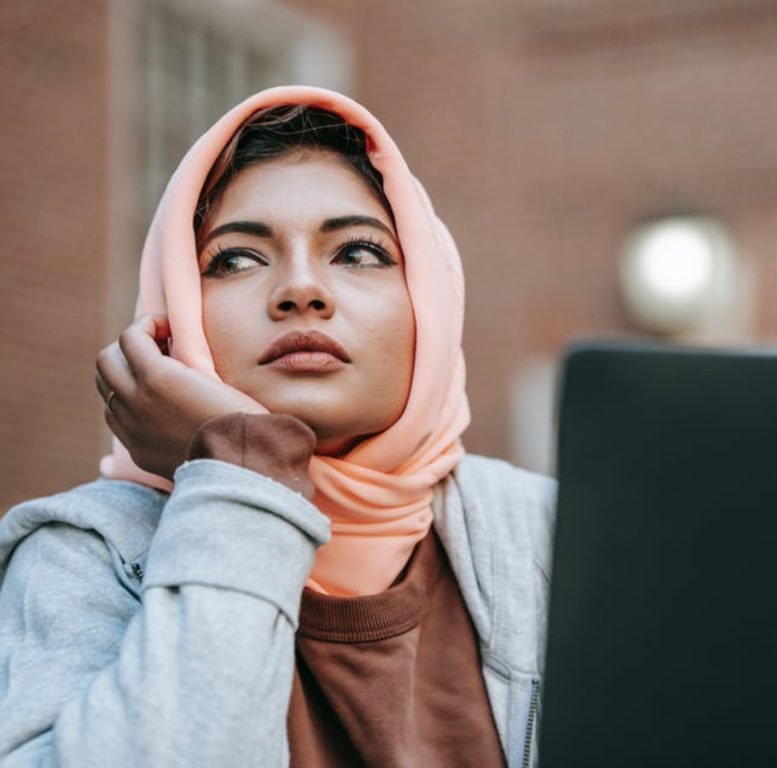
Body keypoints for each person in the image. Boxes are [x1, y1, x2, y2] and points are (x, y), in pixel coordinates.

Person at [0, 85, 557, 768]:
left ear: (431, 305)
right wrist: (241, 472)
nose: (300, 289)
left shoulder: (548, 536)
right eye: (235, 259)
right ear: (173, 318)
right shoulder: (82, 555)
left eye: (356, 252)